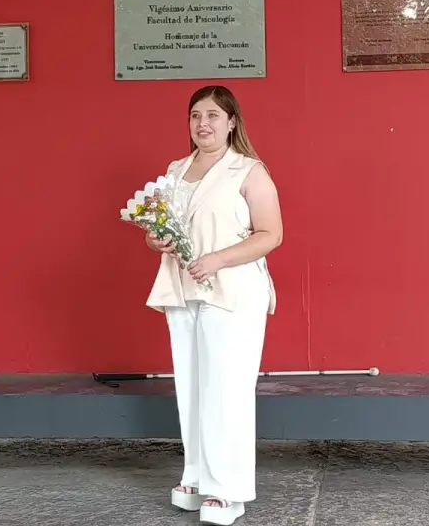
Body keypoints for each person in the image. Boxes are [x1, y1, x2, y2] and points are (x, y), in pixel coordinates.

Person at [142, 84, 282, 526]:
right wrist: (154, 238)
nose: (203, 124)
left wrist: (218, 259)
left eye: (213, 116)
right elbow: (162, 226)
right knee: (193, 387)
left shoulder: (249, 170)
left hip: (233, 292)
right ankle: (198, 475)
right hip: (183, 289)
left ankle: (229, 490)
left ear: (232, 122)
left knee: (227, 390)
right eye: (195, 116)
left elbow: (270, 234)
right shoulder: (176, 169)